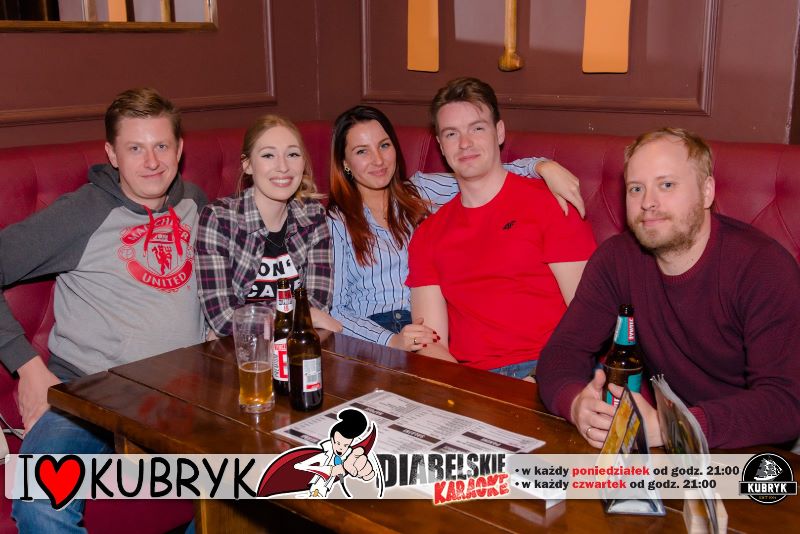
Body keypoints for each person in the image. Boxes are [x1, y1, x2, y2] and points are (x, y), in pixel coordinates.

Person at [4, 88, 207, 532]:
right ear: (112, 154)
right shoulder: (81, 214)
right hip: (90, 394)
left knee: (262, 476)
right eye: (135, 148)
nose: (152, 162)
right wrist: (27, 366)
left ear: (179, 149)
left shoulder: (194, 202)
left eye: (161, 146)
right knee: (40, 498)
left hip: (190, 395)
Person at [537, 127, 800, 450]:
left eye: (666, 185)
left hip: (760, 447)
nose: (648, 202)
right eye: (636, 188)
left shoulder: (763, 268)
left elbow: (785, 403)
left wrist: (675, 425)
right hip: (678, 443)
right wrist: (576, 403)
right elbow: (563, 351)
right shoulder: (617, 259)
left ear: (707, 191)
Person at [326, 105, 585, 352]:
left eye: (384, 145)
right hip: (375, 335)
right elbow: (335, 310)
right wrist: (391, 341)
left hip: (433, 327)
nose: (378, 160)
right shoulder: (337, 221)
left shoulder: (421, 190)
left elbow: (485, 171)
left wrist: (541, 166)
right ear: (345, 163)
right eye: (362, 151)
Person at [406, 78, 597, 378]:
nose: (465, 143)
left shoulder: (550, 204)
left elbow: (588, 317)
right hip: (472, 381)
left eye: (477, 128)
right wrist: (465, 393)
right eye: (452, 134)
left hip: (549, 366)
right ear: (441, 146)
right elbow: (430, 343)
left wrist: (547, 379)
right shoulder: (428, 234)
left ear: (499, 132)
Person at [197, 115, 336, 336]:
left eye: (292, 154)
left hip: (295, 346)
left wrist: (256, 317)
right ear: (248, 165)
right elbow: (223, 319)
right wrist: (298, 314)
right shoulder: (219, 219)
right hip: (240, 351)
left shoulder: (313, 215)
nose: (283, 167)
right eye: (268, 155)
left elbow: (318, 303)